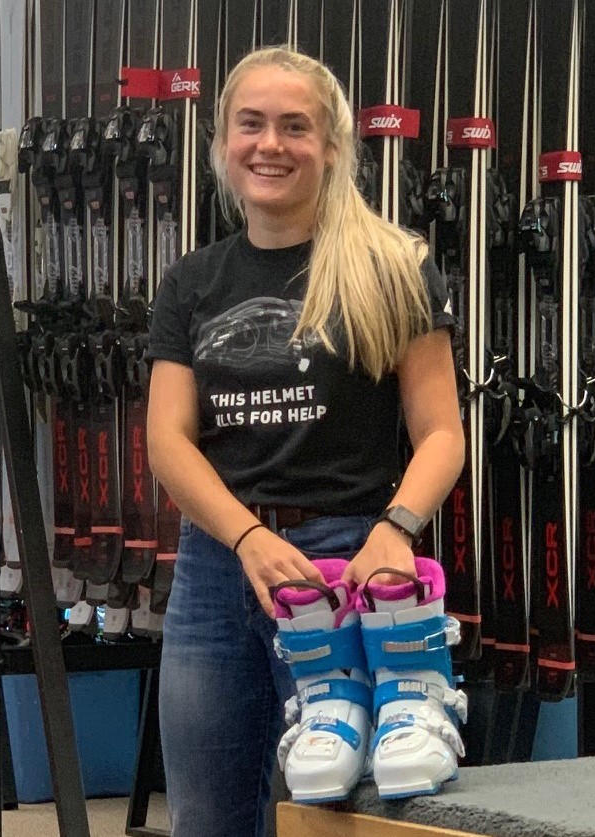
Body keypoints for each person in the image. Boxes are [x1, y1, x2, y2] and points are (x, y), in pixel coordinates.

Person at [145, 47, 466, 837]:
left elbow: (440, 434)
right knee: (205, 819)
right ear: (222, 142)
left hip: (349, 566)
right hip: (217, 570)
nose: (270, 144)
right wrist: (246, 538)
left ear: (330, 145)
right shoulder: (191, 282)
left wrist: (396, 530)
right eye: (250, 124)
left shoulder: (393, 268)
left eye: (294, 126)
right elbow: (168, 442)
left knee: (341, 814)